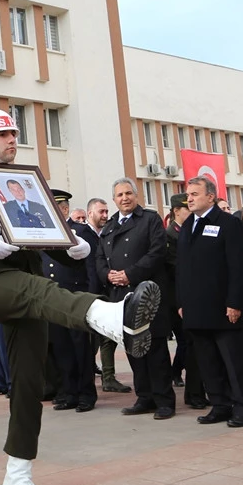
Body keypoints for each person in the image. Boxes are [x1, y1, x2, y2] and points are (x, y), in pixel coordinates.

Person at [0, 110, 159, 485]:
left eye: (13, 132)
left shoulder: (28, 185)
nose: (10, 139)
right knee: (40, 290)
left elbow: (44, 235)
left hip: (29, 284)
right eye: (1, 133)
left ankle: (17, 479)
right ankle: (111, 317)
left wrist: (74, 248)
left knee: (28, 385)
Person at [176, 176, 243, 429]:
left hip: (223, 308)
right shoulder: (189, 224)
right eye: (188, 194)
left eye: (194, 194)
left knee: (234, 362)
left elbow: (239, 266)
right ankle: (220, 405)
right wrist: (181, 301)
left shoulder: (228, 223)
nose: (189, 198)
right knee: (208, 362)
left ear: (210, 196)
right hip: (196, 309)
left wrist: (234, 302)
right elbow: (182, 268)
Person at [97, 179, 173, 419]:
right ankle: (144, 397)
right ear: (114, 199)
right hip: (121, 296)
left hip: (147, 293)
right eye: (119, 195)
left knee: (155, 349)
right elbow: (99, 258)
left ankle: (164, 401)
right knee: (133, 348)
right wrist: (108, 275)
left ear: (136, 195)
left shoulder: (150, 220)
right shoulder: (109, 227)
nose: (124, 198)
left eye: (128, 193)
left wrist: (130, 274)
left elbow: (157, 252)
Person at [39, 189, 98, 413]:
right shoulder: (44, 233)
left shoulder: (80, 231)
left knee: (81, 349)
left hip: (76, 298)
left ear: (64, 208)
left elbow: (91, 267)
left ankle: (86, 394)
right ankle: (68, 392)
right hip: (54, 300)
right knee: (61, 349)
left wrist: (90, 299)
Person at [164, 194, 207, 409]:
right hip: (178, 300)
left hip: (192, 297)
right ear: (176, 211)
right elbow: (176, 267)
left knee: (193, 344)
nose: (190, 211)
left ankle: (194, 390)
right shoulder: (170, 235)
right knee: (188, 343)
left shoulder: (190, 231)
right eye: (186, 208)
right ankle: (192, 391)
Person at [86, 198, 130, 394]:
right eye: (101, 212)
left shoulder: (108, 231)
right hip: (90, 293)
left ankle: (108, 377)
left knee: (107, 338)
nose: (105, 215)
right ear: (90, 213)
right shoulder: (81, 233)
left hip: (109, 291)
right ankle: (88, 379)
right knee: (90, 341)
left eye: (106, 212)